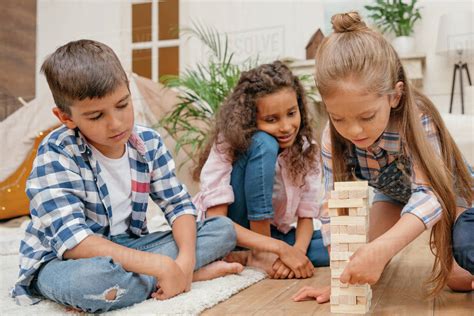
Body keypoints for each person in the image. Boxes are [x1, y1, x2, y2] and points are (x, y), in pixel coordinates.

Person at [10, 39, 242, 313]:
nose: (117, 123)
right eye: (96, 116)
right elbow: (74, 242)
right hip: (66, 259)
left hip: (131, 247)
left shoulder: (148, 142)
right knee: (91, 282)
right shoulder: (56, 154)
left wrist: (186, 261)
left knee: (222, 229)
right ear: (65, 118)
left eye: (122, 105)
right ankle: (167, 276)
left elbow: (178, 206)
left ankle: (178, 274)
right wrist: (160, 265)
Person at [292, 11, 473, 303]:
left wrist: (385, 247)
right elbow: (331, 210)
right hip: (393, 196)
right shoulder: (331, 136)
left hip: (447, 192)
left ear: (395, 96)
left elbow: (431, 195)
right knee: (364, 259)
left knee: (460, 278)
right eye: (338, 118)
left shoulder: (418, 117)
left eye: (367, 116)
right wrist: (343, 277)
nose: (353, 130)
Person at [193, 61, 330, 279]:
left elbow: (306, 216)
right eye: (271, 119)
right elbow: (216, 224)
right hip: (226, 233)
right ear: (250, 119)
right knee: (263, 143)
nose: (286, 127)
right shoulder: (228, 143)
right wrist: (271, 250)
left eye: (291, 113)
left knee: (337, 248)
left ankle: (249, 256)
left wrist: (296, 254)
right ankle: (258, 254)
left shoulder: (306, 150)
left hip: (274, 235)